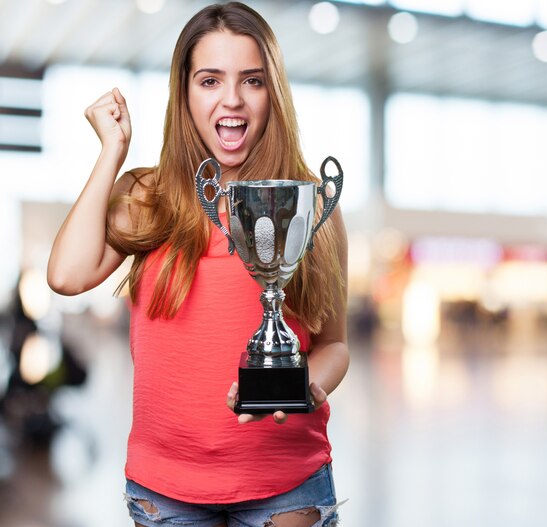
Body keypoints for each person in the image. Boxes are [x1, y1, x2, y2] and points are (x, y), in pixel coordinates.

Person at [46, 3, 349, 527]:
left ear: (271, 92)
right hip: (167, 488)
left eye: (251, 81)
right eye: (210, 80)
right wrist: (111, 152)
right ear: (184, 92)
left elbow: (335, 345)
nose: (231, 100)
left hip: (285, 483)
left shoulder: (309, 202)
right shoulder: (149, 196)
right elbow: (66, 275)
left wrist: (303, 384)